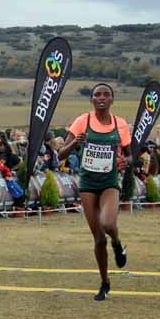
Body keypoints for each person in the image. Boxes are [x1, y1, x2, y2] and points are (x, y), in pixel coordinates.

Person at [58, 83, 131, 301]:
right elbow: (61, 154)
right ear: (91, 99)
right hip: (88, 184)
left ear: (112, 100)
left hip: (109, 182)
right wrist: (74, 144)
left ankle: (117, 244)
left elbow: (130, 155)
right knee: (99, 239)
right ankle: (104, 282)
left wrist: (125, 161)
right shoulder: (83, 121)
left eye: (106, 94)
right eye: (97, 94)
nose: (101, 97)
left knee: (108, 224)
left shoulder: (121, 125)